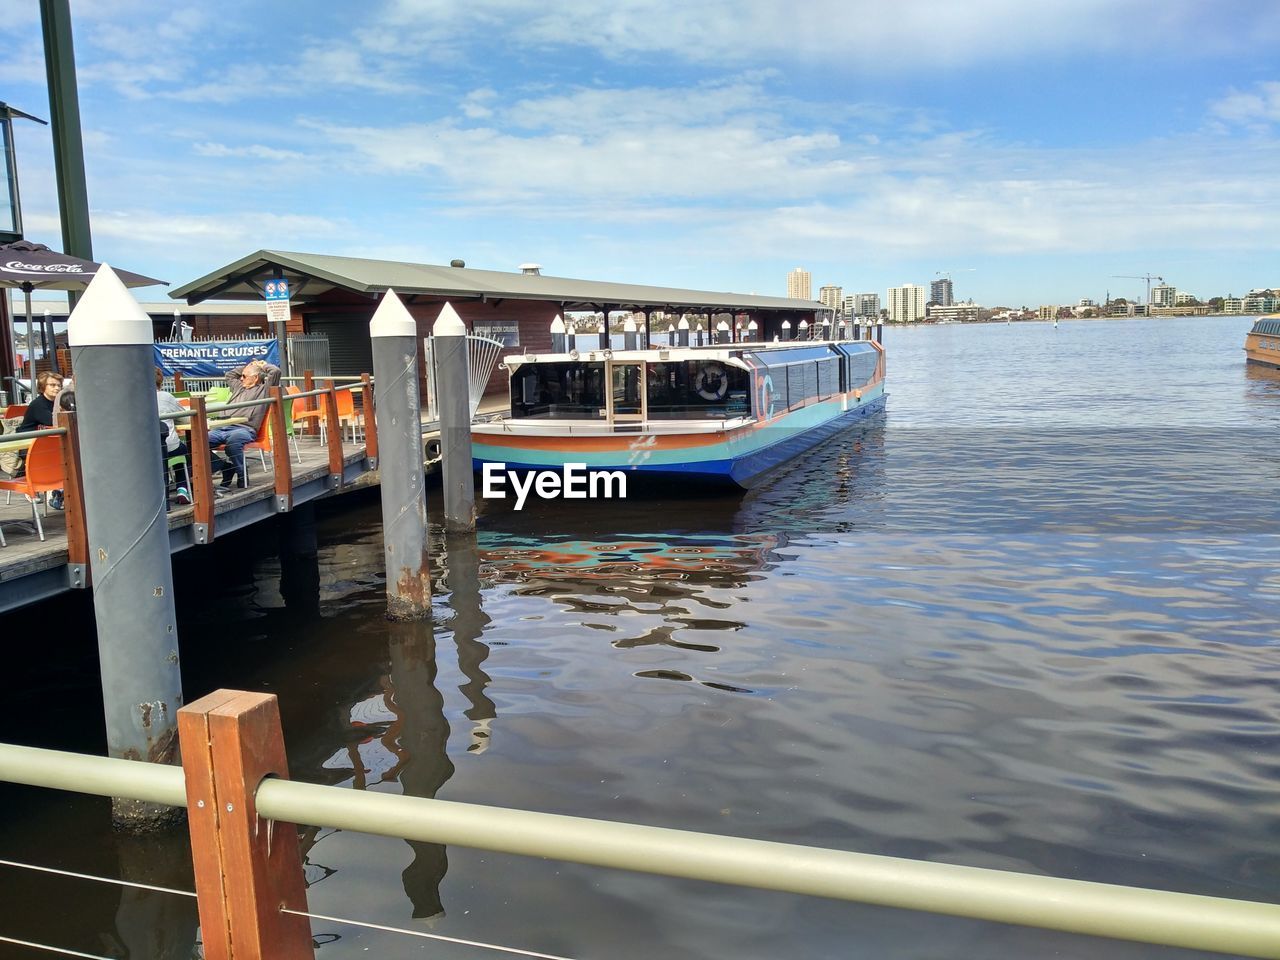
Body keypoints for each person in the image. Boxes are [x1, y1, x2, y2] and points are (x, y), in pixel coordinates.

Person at [208, 358, 281, 494]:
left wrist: (262, 365)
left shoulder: (264, 389)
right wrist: (247, 367)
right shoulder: (238, 387)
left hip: (244, 428)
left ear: (255, 378)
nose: (241, 378)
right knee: (197, 442)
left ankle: (242, 475)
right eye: (241, 376)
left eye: (244, 376)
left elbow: (275, 372)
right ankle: (226, 467)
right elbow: (229, 374)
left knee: (233, 442)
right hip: (222, 427)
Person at [155, 368, 191, 505]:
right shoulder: (166, 396)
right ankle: (182, 489)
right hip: (169, 446)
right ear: (161, 381)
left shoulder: (135, 398)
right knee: (183, 450)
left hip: (143, 450)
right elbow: (186, 419)